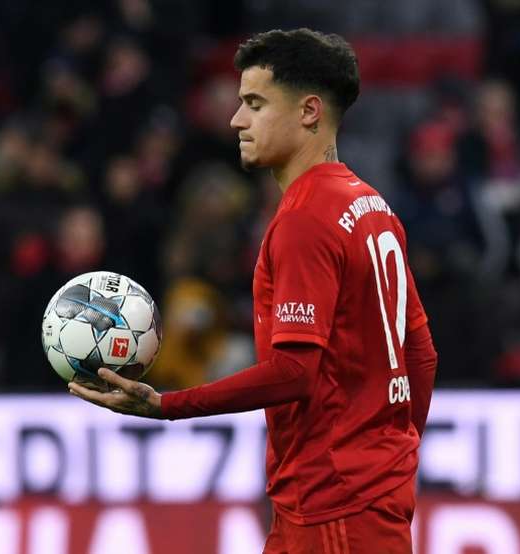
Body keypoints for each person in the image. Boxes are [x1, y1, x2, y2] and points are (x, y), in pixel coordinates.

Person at [68, 28, 438, 554]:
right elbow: (420, 354)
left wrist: (167, 405)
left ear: (309, 111)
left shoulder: (306, 218)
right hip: (347, 496)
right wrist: (392, 455)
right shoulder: (372, 206)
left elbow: (295, 371)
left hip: (332, 503)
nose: (236, 120)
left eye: (254, 104)